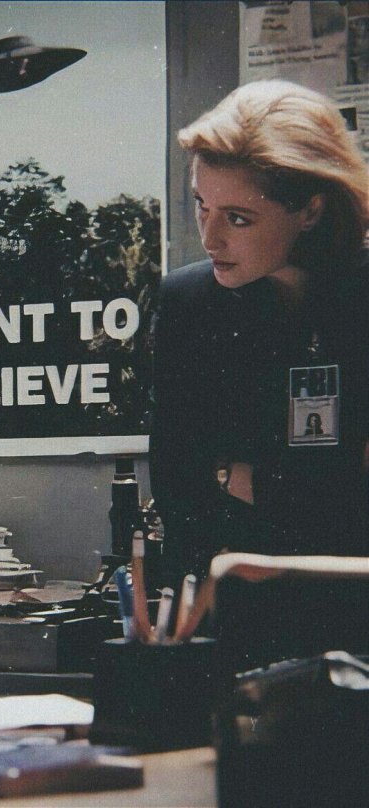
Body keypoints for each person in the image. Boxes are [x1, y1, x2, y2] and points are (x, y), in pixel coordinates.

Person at [150, 80, 369, 591]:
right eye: (202, 206)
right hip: (236, 597)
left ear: (310, 211)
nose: (210, 239)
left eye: (238, 218)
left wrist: (242, 476)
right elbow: (180, 492)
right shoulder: (188, 304)